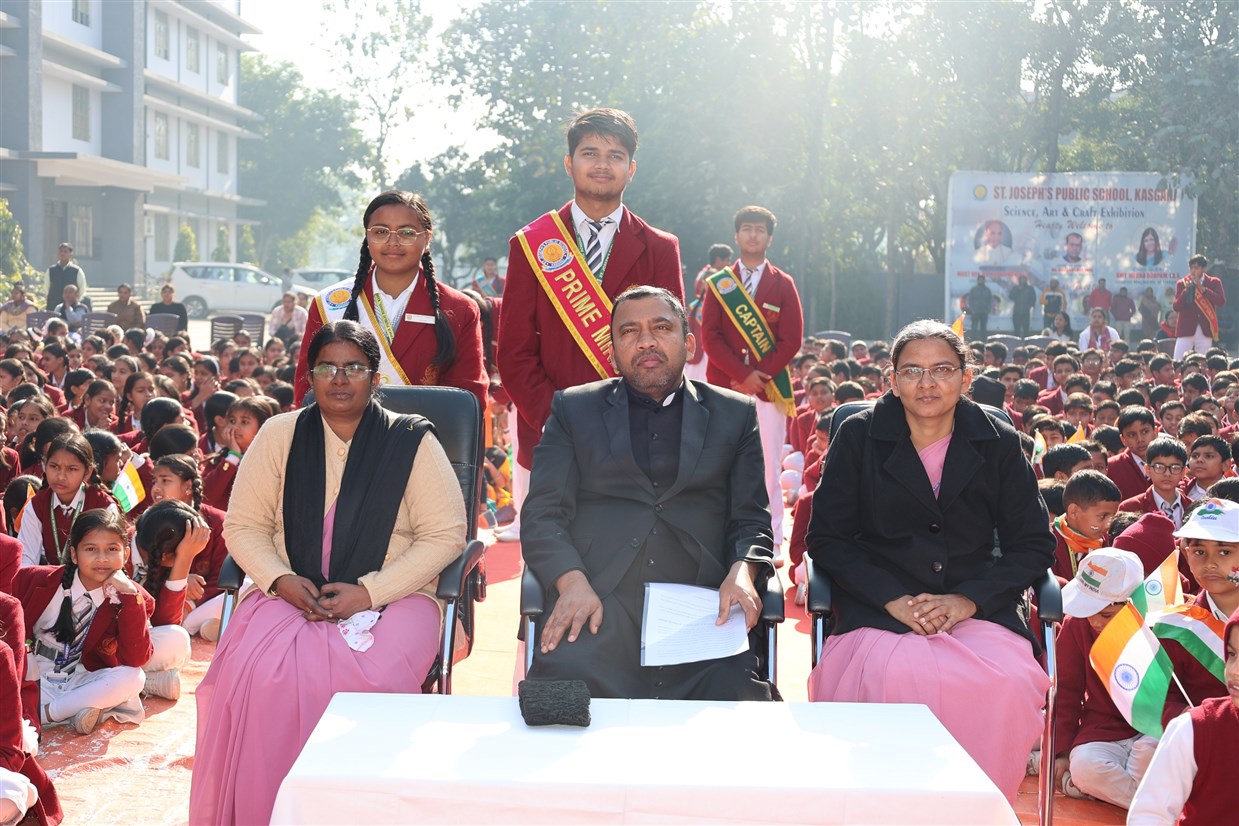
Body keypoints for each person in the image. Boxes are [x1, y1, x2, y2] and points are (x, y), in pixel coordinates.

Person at [190, 320, 465, 825]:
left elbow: (445, 535)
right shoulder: (279, 435)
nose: (339, 379)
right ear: (309, 377)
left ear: (375, 379)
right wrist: (280, 580)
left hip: (397, 594)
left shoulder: (410, 441)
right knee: (261, 678)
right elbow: (245, 526)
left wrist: (370, 592)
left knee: (371, 677)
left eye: (354, 368)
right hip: (290, 590)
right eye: (327, 368)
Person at [805, 319, 1054, 804]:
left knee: (1005, 681)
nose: (927, 383)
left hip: (977, 605)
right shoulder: (858, 436)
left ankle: (974, 809)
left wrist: (967, 601)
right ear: (893, 380)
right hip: (879, 607)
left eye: (942, 369)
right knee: (893, 675)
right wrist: (892, 600)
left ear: (966, 377)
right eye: (912, 371)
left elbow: (1033, 544)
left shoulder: (998, 440)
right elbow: (828, 539)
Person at [521, 286, 774, 701]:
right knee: (558, 705)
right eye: (629, 331)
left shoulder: (735, 413)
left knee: (737, 709)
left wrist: (743, 572)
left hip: (703, 607)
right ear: (613, 352)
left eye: (661, 328)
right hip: (597, 599)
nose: (646, 342)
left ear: (689, 344)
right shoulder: (573, 409)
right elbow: (543, 515)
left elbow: (751, 519)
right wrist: (571, 582)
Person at [496, 108, 682, 543]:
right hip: (549, 433)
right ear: (569, 163)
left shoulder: (660, 247)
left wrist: (634, 418)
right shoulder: (532, 244)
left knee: (633, 562)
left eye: (615, 155)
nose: (602, 164)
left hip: (637, 436)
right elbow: (514, 351)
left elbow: (667, 347)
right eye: (590, 153)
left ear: (631, 169)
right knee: (549, 570)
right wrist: (560, 420)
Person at [293, 191, 487, 412]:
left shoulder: (458, 308)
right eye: (381, 232)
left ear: (427, 238)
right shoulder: (329, 304)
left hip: (428, 432)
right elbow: (306, 388)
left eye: (406, 233)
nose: (393, 242)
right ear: (367, 237)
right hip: (341, 432)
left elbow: (467, 400)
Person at [701, 206, 803, 556]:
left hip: (768, 390)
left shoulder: (783, 283)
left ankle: (772, 538)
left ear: (769, 238)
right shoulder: (720, 284)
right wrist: (740, 374)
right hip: (724, 387)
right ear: (736, 235)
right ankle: (721, 533)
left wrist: (758, 376)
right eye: (747, 228)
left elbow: (792, 339)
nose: (753, 235)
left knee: (769, 464)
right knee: (721, 461)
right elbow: (710, 336)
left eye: (760, 230)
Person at [12, 509, 152, 737]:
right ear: (74, 554)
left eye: (112, 549)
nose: (102, 558)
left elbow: (136, 659)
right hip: (34, 673)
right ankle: (79, 709)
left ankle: (47, 714)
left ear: (126, 554)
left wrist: (128, 595)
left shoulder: (134, 597)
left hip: (82, 677)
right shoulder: (35, 580)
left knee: (134, 677)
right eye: (90, 549)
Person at [1172, 254, 1226, 359]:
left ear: (1204, 268)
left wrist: (1202, 289)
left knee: (1203, 360)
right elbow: (1176, 307)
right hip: (1186, 328)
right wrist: (1186, 291)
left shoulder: (1213, 282)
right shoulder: (1182, 283)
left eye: (1196, 268)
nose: (1193, 271)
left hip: (1205, 329)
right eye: (1191, 268)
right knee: (1178, 359)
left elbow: (1221, 301)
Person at [45, 243, 85, 312]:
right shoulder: (51, 270)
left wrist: (75, 302)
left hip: (71, 308)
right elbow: (46, 289)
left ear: (71, 254)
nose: (62, 253)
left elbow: (82, 290)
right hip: (53, 306)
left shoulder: (77, 271)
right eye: (61, 251)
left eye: (65, 251)